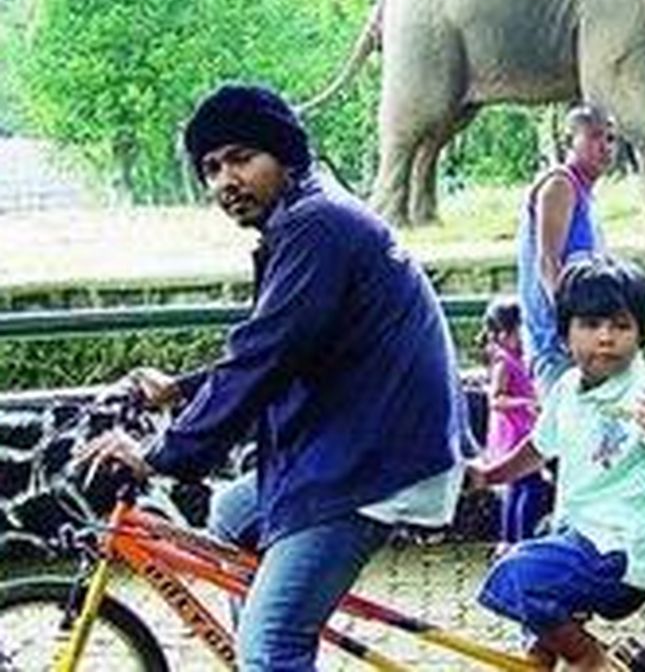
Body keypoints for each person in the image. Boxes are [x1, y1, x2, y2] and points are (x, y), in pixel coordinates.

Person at [76, 83, 470, 671]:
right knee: (233, 515)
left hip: (375, 463)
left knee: (273, 643)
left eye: (241, 158)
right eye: (211, 168)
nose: (225, 181)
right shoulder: (306, 219)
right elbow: (283, 342)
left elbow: (267, 354)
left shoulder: (316, 227)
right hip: (360, 444)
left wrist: (161, 454)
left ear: (285, 155)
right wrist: (180, 390)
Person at [470, 255, 645, 672]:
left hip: (619, 555)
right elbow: (538, 448)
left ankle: (590, 658)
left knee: (515, 575)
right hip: (577, 539)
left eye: (621, 326)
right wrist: (487, 475)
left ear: (641, 335)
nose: (605, 338)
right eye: (591, 324)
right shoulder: (567, 388)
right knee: (536, 647)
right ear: (565, 333)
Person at [516, 103, 617, 392]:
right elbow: (548, 262)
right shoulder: (560, 185)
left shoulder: (585, 195)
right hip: (558, 346)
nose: (606, 147)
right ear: (570, 141)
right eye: (595, 136)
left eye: (611, 138)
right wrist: (571, 328)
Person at [480, 296, 547, 555]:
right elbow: (496, 399)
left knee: (517, 486)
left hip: (519, 431)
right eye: (521, 330)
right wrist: (526, 403)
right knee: (532, 486)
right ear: (504, 334)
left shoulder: (518, 358)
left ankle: (508, 542)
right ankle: (522, 542)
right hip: (514, 435)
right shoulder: (504, 362)